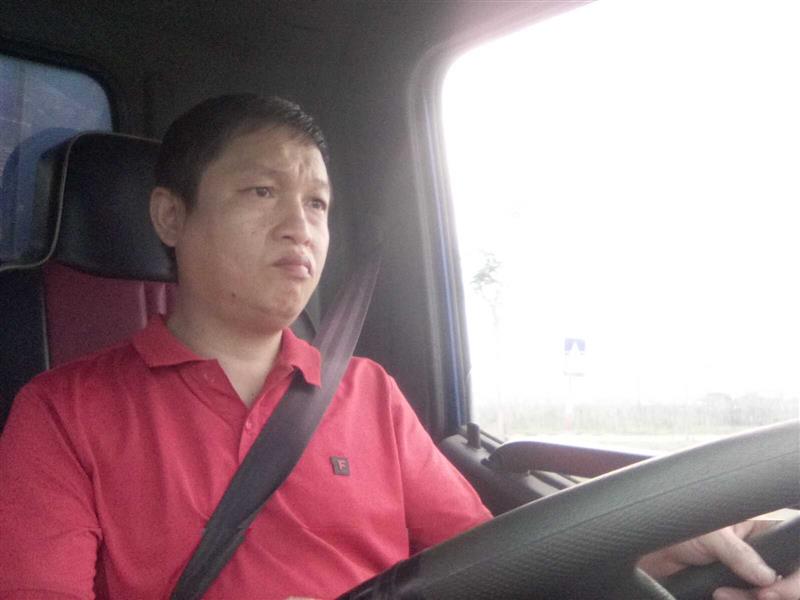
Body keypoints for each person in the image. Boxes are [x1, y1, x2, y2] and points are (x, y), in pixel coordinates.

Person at [0, 95, 796, 600]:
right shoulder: (63, 411)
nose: (300, 226)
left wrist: (650, 555)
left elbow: (490, 568)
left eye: (318, 203)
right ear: (171, 217)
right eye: (262, 191)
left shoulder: (366, 391)